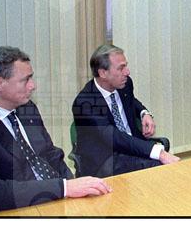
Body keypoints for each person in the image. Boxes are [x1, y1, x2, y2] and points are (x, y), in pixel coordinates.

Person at [0, 46, 112, 213]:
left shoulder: (27, 108)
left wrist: (73, 188)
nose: (32, 86)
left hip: (58, 202)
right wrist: (64, 188)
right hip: (19, 210)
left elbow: (51, 154)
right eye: (25, 80)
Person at [72, 44, 180, 178]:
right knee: (160, 168)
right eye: (121, 68)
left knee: (167, 168)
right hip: (106, 160)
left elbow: (131, 101)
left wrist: (144, 113)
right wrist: (158, 152)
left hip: (131, 148)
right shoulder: (85, 103)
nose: (127, 72)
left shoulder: (124, 84)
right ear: (103, 73)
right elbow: (114, 137)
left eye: (126, 66)